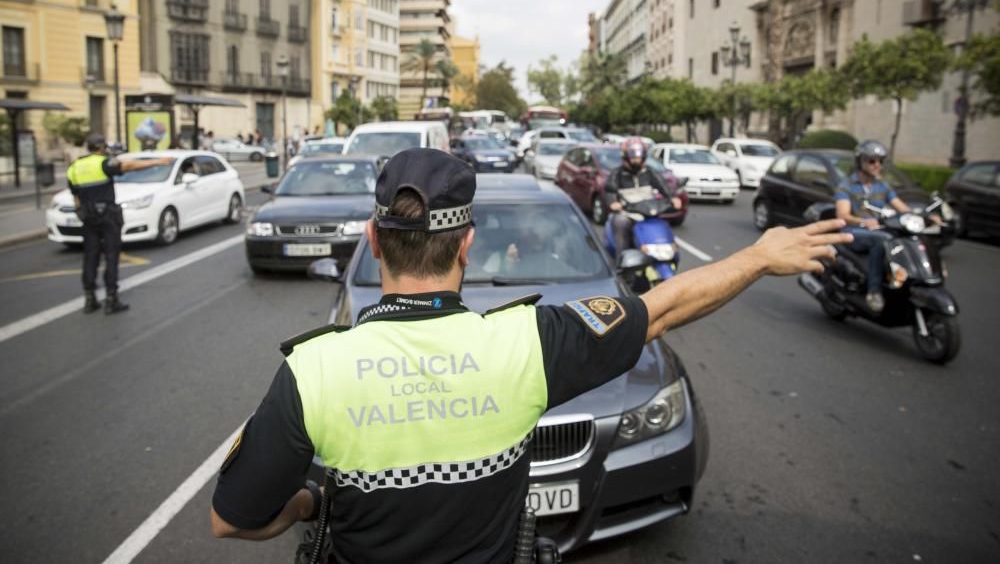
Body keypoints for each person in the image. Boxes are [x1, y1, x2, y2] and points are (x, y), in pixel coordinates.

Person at [209, 148, 851, 561]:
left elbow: (231, 521)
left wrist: (310, 504)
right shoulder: (524, 343)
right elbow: (664, 308)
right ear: (466, 245)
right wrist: (760, 256)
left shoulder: (313, 370)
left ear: (375, 240)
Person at [67, 134, 172, 314]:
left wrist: (82, 213)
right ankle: (111, 299)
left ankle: (89, 298)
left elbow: (75, 196)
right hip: (107, 215)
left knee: (90, 256)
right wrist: (158, 162)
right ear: (100, 147)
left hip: (88, 217)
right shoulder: (103, 162)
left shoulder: (75, 166)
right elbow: (129, 166)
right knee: (111, 255)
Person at [834, 140, 913, 313]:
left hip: (878, 229)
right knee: (883, 241)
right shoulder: (846, 186)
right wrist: (863, 222)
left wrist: (923, 216)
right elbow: (843, 215)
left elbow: (901, 206)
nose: (877, 165)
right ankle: (874, 291)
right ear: (860, 162)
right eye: (871, 161)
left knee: (903, 239)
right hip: (854, 232)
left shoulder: (882, 185)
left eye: (880, 161)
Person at [604, 137, 683, 253]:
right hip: (629, 213)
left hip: (649, 213)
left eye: (639, 156)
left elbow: (663, 186)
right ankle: (622, 258)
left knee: (663, 225)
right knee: (620, 222)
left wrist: (673, 197)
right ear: (625, 156)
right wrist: (613, 202)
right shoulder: (617, 174)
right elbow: (610, 190)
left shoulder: (649, 172)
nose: (637, 159)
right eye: (633, 156)